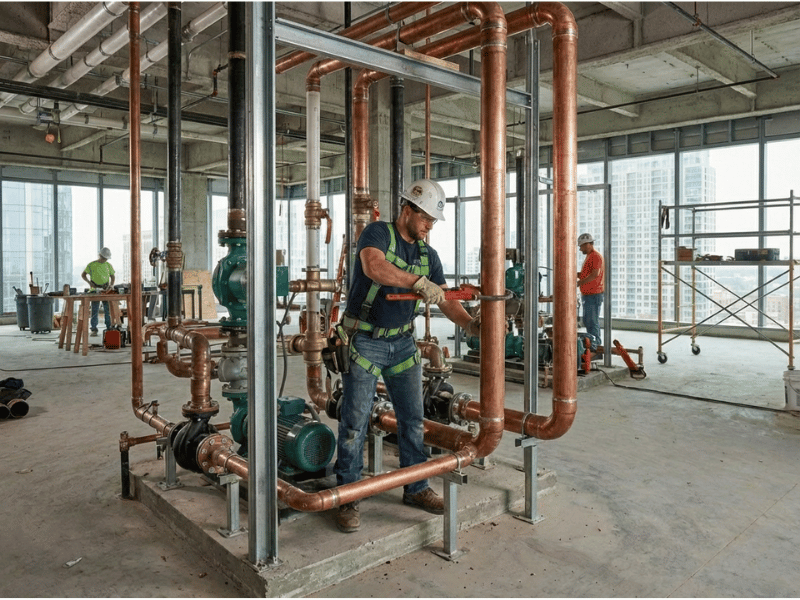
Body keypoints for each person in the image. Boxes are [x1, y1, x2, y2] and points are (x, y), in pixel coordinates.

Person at [333, 179, 481, 533]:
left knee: (413, 421)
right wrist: (416, 283)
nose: (429, 225)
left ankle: (416, 487)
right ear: (408, 209)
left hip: (402, 344)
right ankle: (348, 495)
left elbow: (445, 298)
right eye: (426, 218)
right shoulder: (377, 234)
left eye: (433, 221)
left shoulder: (429, 256)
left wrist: (472, 326)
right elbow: (374, 267)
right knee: (354, 422)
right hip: (365, 340)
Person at [576, 233, 604, 351]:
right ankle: (592, 345)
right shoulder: (589, 256)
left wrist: (579, 283)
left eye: (581, 246)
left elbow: (594, 274)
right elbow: (586, 274)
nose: (580, 249)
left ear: (588, 244)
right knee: (588, 320)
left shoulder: (595, 256)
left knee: (592, 321)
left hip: (594, 294)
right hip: (588, 295)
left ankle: (596, 346)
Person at [81, 247, 116, 337]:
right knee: (95, 310)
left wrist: (111, 285)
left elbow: (113, 276)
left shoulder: (108, 265)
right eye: (104, 258)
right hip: (95, 290)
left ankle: (109, 327)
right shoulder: (92, 265)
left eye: (106, 258)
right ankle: (94, 329)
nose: (105, 260)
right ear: (100, 255)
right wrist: (89, 283)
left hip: (105, 289)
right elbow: (83, 275)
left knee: (107, 310)